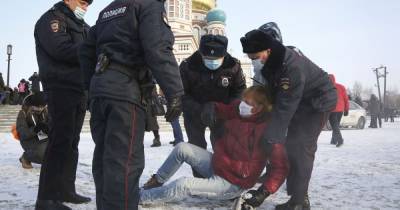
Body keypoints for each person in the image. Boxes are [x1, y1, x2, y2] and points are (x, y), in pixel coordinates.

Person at [78, 0, 184, 209]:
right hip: (125, 92)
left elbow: (85, 52)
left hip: (101, 91)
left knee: (104, 160)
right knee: (124, 165)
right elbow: (158, 49)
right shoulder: (148, 6)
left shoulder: (107, 10)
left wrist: (94, 86)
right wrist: (175, 92)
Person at [140, 86, 289, 208]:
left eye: (248, 102)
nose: (242, 104)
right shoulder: (239, 110)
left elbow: (280, 168)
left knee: (183, 184)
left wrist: (264, 192)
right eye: (243, 99)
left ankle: (139, 198)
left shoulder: (268, 131)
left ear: (259, 108)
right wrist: (212, 108)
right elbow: (224, 109)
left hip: (232, 183)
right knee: (182, 148)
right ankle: (156, 181)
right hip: (219, 165)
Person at [240, 29, 337, 210]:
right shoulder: (273, 60)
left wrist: (272, 135)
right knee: (291, 146)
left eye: (256, 56)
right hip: (301, 101)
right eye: (251, 58)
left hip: (318, 102)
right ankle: (298, 197)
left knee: (301, 148)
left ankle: (299, 203)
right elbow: (275, 97)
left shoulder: (290, 67)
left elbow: (285, 106)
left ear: (268, 50)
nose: (255, 61)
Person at [34, 0, 92, 209]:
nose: (85, 8)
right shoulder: (51, 19)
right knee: (59, 141)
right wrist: (91, 49)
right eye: (82, 3)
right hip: (60, 87)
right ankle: (46, 198)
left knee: (72, 142)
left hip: (79, 88)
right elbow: (61, 49)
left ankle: (66, 190)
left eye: (88, 5)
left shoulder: (83, 26)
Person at [180, 34, 246, 177]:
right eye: (208, 59)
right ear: (201, 54)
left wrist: (224, 109)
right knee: (196, 147)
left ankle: (223, 176)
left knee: (223, 144)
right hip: (194, 113)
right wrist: (201, 109)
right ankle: (200, 178)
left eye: (216, 59)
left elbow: (239, 90)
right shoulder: (187, 66)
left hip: (222, 113)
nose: (212, 62)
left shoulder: (233, 66)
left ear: (224, 55)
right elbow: (182, 94)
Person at [16, 94, 49, 169]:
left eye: (42, 106)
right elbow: (23, 134)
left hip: (42, 137)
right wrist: (35, 129)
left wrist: (48, 128)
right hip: (29, 141)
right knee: (44, 154)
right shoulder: (23, 114)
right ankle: (26, 156)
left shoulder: (45, 112)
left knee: (57, 148)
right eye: (38, 106)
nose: (40, 109)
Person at [328, 74, 349, 147]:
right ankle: (333, 140)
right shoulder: (341, 86)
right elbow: (346, 99)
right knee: (336, 125)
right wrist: (346, 109)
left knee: (335, 126)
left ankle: (340, 140)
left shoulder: (327, 87)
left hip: (332, 109)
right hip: (340, 110)